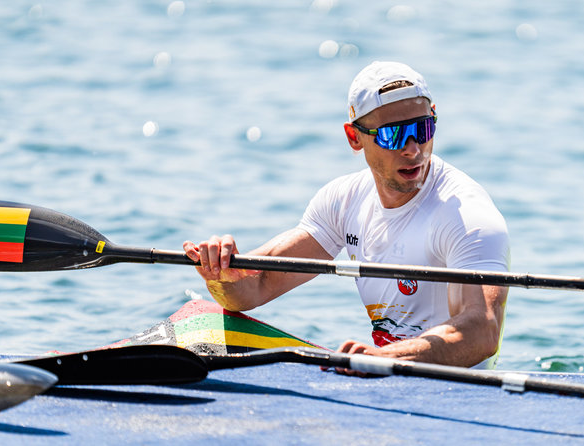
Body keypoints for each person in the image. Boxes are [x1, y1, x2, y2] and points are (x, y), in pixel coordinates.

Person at [184, 61, 510, 373]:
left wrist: (386, 358)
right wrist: (221, 274)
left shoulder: (466, 216)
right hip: (384, 375)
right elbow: (255, 288)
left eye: (422, 129)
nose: (413, 149)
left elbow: (482, 332)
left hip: (459, 390)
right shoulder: (343, 200)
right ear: (355, 138)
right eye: (393, 135)